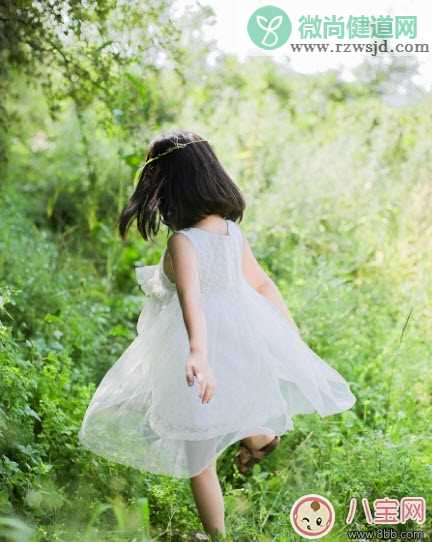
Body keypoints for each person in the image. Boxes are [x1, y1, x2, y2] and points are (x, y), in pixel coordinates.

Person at [78, 129, 357, 541]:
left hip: (199, 346)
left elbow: (193, 300)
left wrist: (197, 354)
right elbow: (262, 284)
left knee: (198, 459)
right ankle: (259, 437)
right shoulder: (229, 231)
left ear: (169, 184)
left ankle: (216, 534)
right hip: (237, 338)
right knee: (228, 405)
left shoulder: (183, 242)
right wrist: (287, 331)